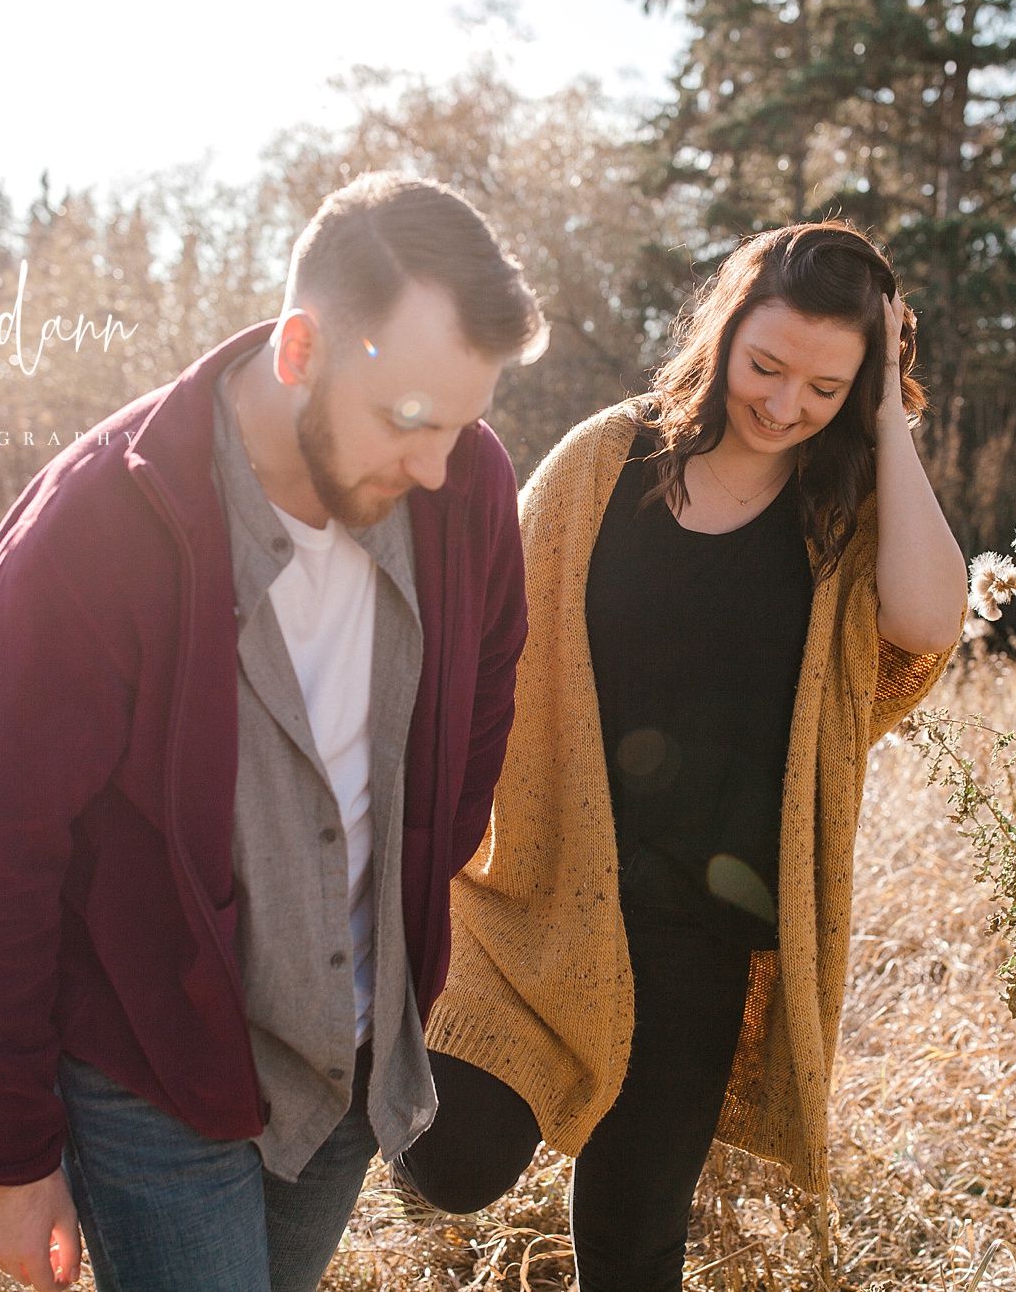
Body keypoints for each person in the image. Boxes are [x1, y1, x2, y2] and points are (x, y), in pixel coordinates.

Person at [0, 172, 545, 1292]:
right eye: (410, 420)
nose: (439, 466)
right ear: (300, 350)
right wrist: (7, 1152)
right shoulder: (97, 527)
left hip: (358, 1060)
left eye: (462, 422)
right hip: (152, 1071)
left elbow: (488, 682)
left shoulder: (467, 485)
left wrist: (421, 888)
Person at [395, 220, 967, 1290]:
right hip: (537, 892)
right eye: (766, 364)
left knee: (634, 1236)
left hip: (704, 926)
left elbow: (928, 624)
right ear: (724, 328)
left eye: (828, 386)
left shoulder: (842, 511)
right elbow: (482, 640)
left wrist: (891, 419)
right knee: (451, 1161)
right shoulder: (606, 461)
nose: (786, 403)